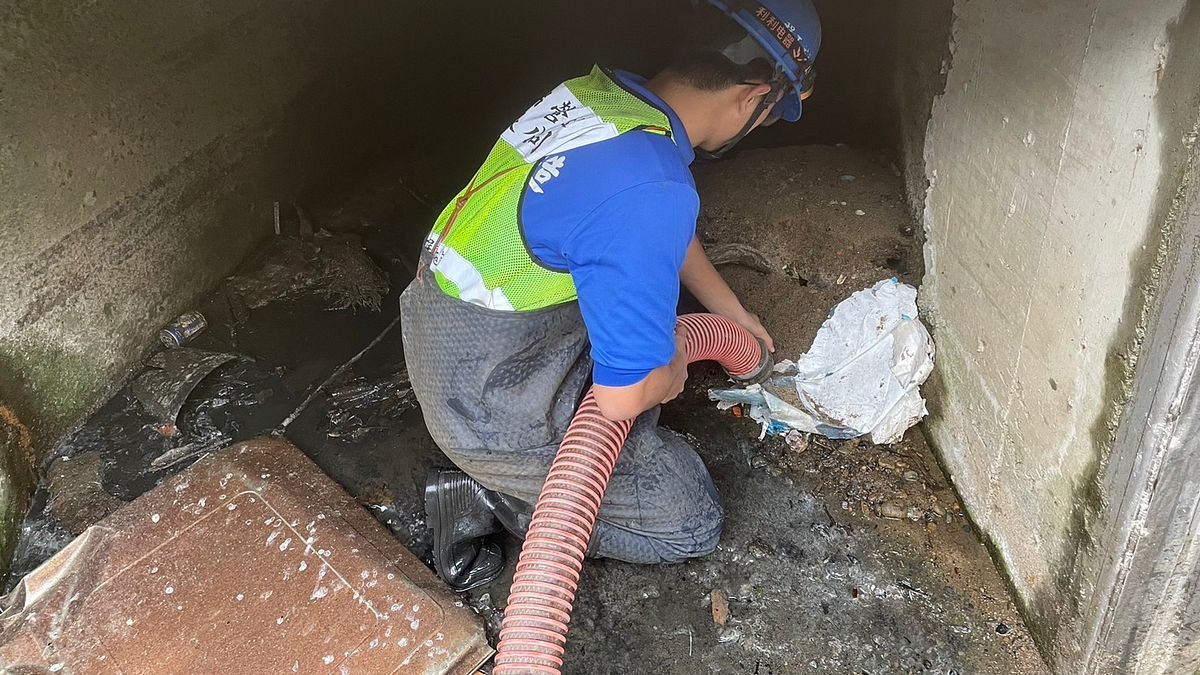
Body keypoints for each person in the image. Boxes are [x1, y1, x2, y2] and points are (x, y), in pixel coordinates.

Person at [401, 0, 822, 591]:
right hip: (488, 399)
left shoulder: (600, 99)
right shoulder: (651, 188)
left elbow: (643, 224)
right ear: (753, 98)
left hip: (443, 316)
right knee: (691, 524)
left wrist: (729, 311)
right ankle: (493, 496)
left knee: (634, 317)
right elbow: (625, 399)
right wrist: (674, 361)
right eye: (770, 116)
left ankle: (505, 468)